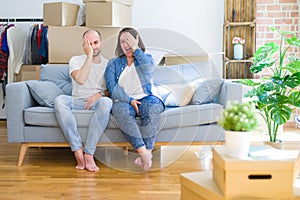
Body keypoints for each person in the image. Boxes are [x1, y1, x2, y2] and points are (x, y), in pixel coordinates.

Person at [105, 27, 165, 171]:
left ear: (137, 41)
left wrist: (136, 48)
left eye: (129, 41)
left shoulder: (146, 58)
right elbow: (112, 88)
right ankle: (143, 152)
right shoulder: (113, 63)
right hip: (124, 101)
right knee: (120, 111)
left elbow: (149, 70)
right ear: (119, 45)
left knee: (151, 109)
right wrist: (130, 100)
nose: (126, 45)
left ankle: (147, 153)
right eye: (122, 42)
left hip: (147, 98)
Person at [54, 29, 112, 172]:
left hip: (97, 102)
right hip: (77, 102)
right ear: (84, 45)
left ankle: (89, 153)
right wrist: (89, 56)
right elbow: (80, 79)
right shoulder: (75, 60)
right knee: (59, 100)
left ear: (102, 43)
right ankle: (77, 148)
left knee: (107, 102)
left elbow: (112, 90)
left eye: (96, 42)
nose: (93, 46)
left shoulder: (109, 64)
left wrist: (98, 95)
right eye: (89, 43)